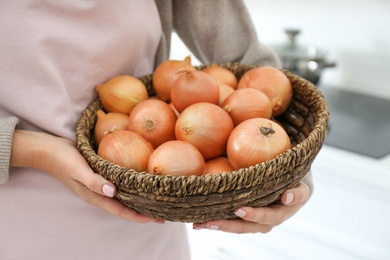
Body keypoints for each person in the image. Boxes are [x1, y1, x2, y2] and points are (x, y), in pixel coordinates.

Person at [0, 0, 311, 259]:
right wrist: (37, 152)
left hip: (152, 208)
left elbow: (250, 66)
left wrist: (291, 170)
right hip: (19, 221)